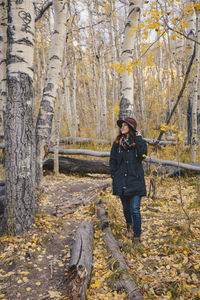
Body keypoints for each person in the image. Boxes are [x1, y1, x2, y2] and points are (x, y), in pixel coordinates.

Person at [109, 117, 147, 244]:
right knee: (126, 208)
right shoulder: (117, 143)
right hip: (121, 181)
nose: (122, 127)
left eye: (125, 125)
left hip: (135, 181)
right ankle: (129, 226)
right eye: (121, 125)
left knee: (135, 209)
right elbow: (112, 161)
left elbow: (143, 154)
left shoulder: (137, 142)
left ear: (131, 128)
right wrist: (114, 175)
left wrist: (139, 137)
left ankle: (137, 236)